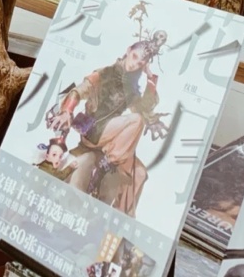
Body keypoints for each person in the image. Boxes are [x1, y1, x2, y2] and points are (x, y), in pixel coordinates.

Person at [47, 31, 168, 216]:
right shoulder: (106, 72)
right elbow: (78, 91)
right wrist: (67, 111)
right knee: (136, 120)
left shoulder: (131, 86)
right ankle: (107, 163)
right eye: (134, 57)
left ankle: (120, 219)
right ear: (128, 50)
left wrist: (151, 79)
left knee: (140, 173)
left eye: (140, 63)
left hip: (111, 140)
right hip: (94, 131)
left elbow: (143, 108)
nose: (134, 64)